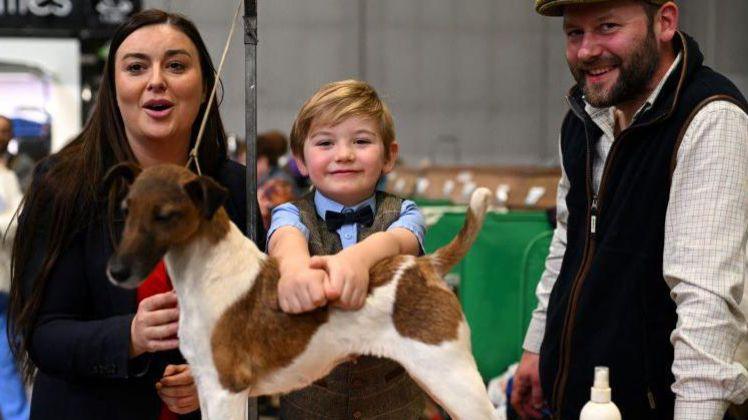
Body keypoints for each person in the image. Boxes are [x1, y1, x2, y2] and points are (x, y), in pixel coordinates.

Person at [7, 10, 264, 420]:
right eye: (136, 67)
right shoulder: (64, 184)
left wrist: (212, 375)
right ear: (114, 88)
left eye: (176, 65)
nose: (156, 80)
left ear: (204, 88)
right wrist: (127, 336)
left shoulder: (228, 187)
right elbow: (41, 333)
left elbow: (255, 317)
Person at [511, 1, 748, 419]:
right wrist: (537, 345)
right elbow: (568, 242)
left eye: (607, 27)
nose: (586, 51)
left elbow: (706, 301)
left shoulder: (709, 120)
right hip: (586, 398)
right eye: (574, 33)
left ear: (665, 22)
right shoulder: (584, 118)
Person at [267, 79, 427, 419]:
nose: (344, 154)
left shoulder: (405, 212)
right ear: (300, 161)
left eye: (362, 141)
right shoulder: (291, 213)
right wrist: (294, 272)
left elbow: (400, 241)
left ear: (389, 156)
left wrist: (359, 258)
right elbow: (285, 242)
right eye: (325, 142)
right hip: (311, 402)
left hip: (392, 401)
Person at [0, 115, 29, 420]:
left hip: (7, 280)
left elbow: (19, 220)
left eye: (6, 132)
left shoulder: (13, 172)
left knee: (8, 354)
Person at [0, 116, 34, 192]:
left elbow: (25, 194)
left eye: (4, 131)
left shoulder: (22, 163)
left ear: (11, 135)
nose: (0, 136)